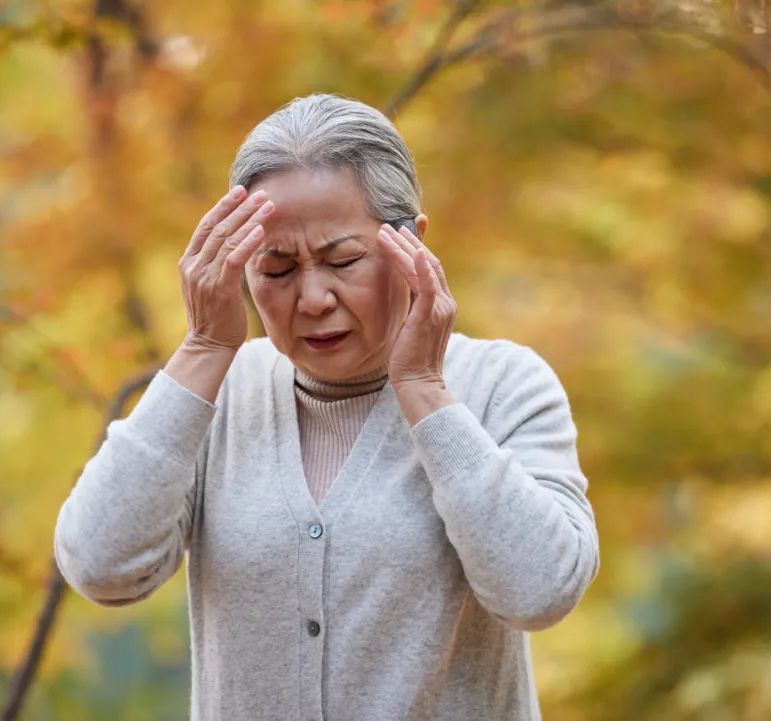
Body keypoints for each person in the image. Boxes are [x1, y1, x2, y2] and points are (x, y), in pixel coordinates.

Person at [53, 92, 600, 721]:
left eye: (343, 260)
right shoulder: (218, 392)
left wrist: (424, 388)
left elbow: (540, 591)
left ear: (412, 244)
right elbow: (100, 566)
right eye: (277, 269)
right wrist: (204, 349)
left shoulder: (504, 384)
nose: (312, 297)